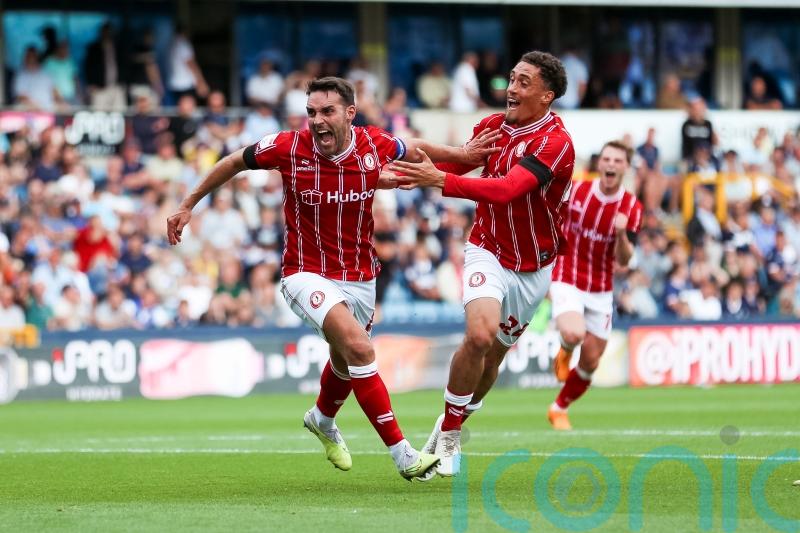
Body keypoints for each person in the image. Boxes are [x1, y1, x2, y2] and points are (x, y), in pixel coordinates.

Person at [167, 76, 498, 481]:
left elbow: (414, 149)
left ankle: (322, 419)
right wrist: (187, 204)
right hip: (305, 273)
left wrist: (462, 154)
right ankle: (403, 454)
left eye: (327, 111)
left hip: (360, 276)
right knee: (359, 348)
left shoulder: (374, 143)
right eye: (311, 112)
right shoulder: (287, 147)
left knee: (344, 360)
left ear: (349, 114)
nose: (317, 120)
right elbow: (234, 161)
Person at [388, 51, 575, 476]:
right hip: (487, 249)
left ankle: (447, 424)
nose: (511, 88)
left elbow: (508, 189)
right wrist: (402, 169)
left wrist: (440, 180)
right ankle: (451, 438)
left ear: (546, 95)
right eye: (512, 78)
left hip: (533, 268)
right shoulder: (493, 126)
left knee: (492, 360)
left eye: (524, 82)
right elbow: (458, 161)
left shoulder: (556, 143)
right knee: (478, 335)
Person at [547, 140, 643, 430]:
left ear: (626, 167)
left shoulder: (631, 207)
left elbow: (624, 260)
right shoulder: (577, 190)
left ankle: (559, 408)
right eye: (607, 159)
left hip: (601, 287)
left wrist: (621, 234)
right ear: (599, 163)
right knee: (573, 332)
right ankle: (565, 350)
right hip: (567, 275)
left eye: (618, 160)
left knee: (590, 362)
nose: (611, 164)